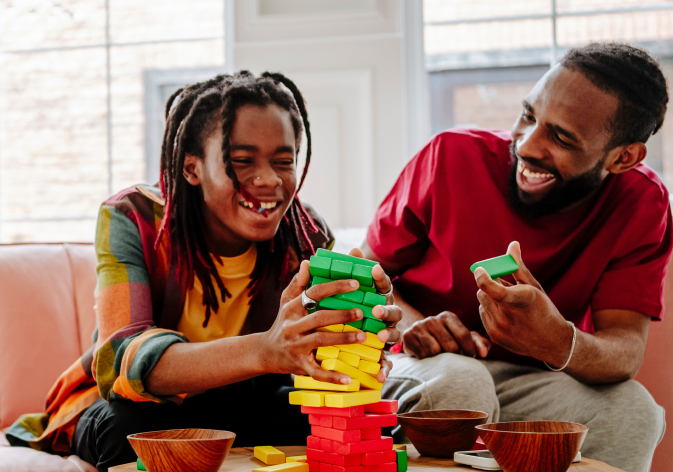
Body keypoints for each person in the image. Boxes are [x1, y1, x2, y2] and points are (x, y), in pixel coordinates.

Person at [6, 72, 401, 472]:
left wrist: (363, 334)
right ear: (192, 168)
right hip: (138, 406)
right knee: (131, 429)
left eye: (283, 161)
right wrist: (266, 349)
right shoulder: (134, 218)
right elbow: (123, 359)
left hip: (241, 402)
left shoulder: (304, 234)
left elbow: (314, 354)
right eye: (242, 161)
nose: (268, 180)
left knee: (348, 422)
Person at [362, 42, 671, 472]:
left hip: (527, 379)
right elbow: (363, 279)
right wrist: (415, 327)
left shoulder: (641, 204)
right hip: (415, 364)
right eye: (528, 116)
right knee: (462, 387)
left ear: (624, 157)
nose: (527, 145)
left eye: (561, 137)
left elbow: (625, 350)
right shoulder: (450, 156)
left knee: (632, 410)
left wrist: (557, 341)